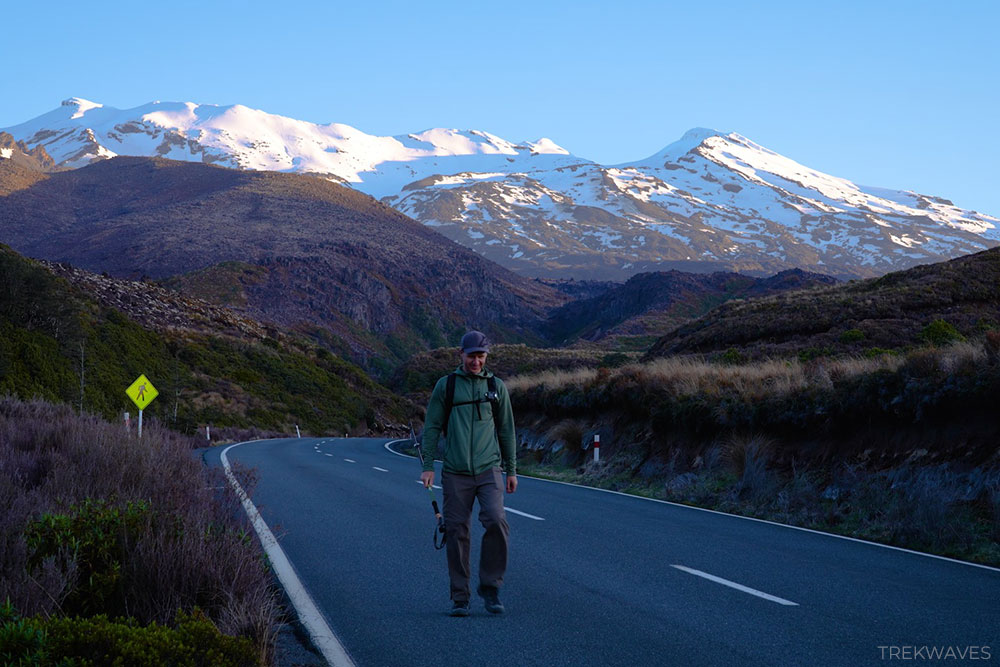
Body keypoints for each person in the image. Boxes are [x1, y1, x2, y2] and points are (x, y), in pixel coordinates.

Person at [420, 330, 517, 616]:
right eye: (471, 355)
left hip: (490, 469)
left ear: (486, 357)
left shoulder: (497, 387)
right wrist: (428, 466)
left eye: (480, 356)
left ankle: (490, 587)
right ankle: (460, 597)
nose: (476, 361)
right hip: (455, 472)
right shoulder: (446, 386)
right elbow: (432, 428)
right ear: (460, 354)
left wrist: (511, 470)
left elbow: (507, 431)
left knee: (497, 521)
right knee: (456, 531)